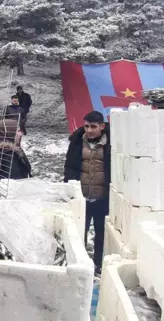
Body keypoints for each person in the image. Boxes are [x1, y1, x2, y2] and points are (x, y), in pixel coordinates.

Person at [64, 111, 111, 274]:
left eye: (93, 126)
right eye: (86, 126)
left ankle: (99, 264)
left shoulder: (111, 144)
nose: (89, 130)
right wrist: (70, 187)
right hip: (82, 197)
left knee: (101, 234)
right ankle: (81, 265)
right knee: (78, 233)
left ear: (102, 126)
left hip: (102, 197)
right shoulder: (77, 142)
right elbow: (69, 166)